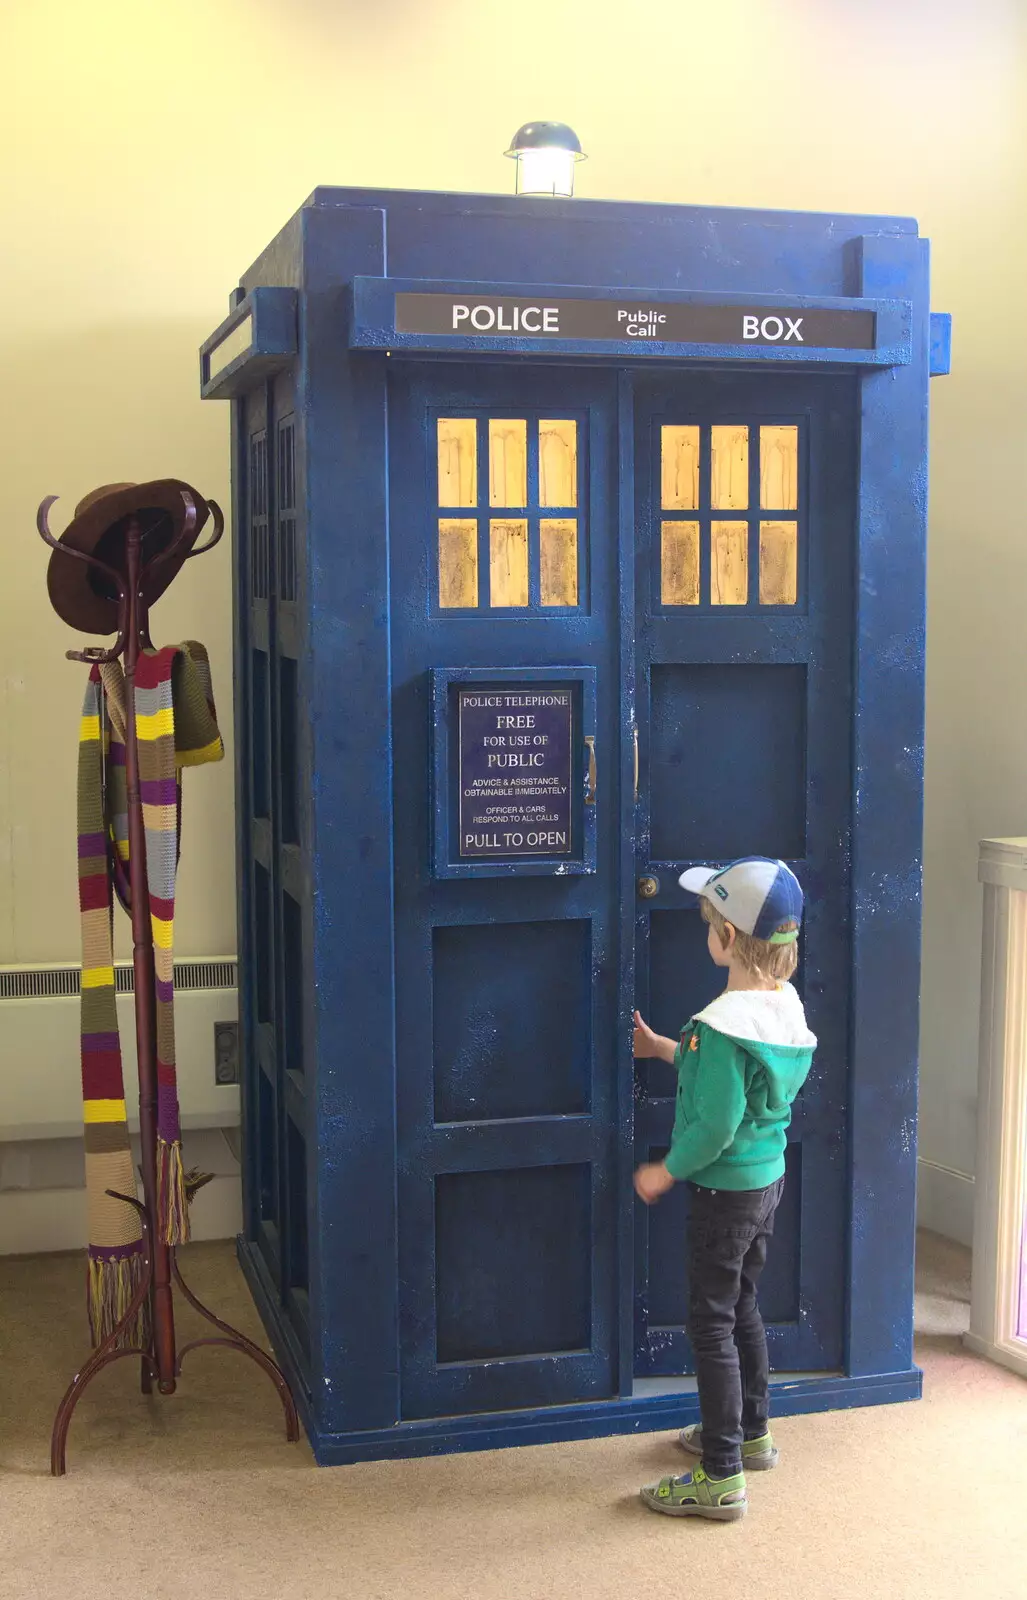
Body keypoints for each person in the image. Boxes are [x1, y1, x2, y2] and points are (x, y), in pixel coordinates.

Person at [633, 856, 816, 1522]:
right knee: (741, 1306)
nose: (705, 931)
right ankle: (752, 1433)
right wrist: (662, 1050)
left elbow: (714, 1121)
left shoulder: (718, 1023)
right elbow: (735, 1078)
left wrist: (666, 1169)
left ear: (728, 940)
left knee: (707, 1324)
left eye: (709, 921)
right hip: (766, 1182)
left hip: (721, 1192)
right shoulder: (777, 1010)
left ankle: (720, 1474)